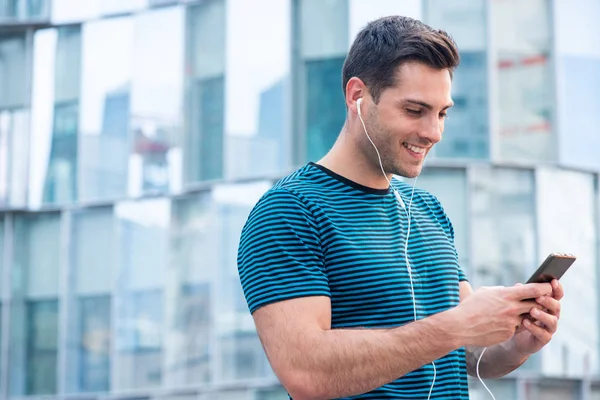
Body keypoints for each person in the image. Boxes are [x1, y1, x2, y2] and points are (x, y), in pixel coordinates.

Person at [237, 15, 564, 399]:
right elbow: (307, 373)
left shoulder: (427, 209)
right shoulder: (289, 211)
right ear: (357, 96)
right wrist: (456, 325)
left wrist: (517, 342)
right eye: (414, 110)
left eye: (442, 113)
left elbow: (469, 352)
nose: (434, 132)